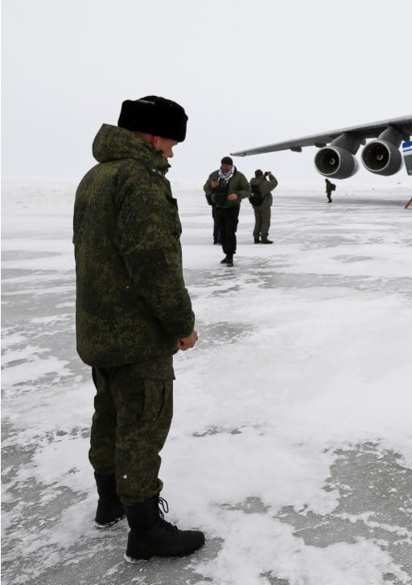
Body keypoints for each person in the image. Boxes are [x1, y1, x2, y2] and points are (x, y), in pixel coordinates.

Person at [73, 95, 205, 562]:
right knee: (143, 425)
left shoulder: (96, 177)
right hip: (136, 335)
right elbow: (154, 265)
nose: (171, 152)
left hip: (99, 329)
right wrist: (181, 324)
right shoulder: (140, 181)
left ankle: (110, 502)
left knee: (107, 416)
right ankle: (145, 530)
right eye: (170, 142)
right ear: (152, 136)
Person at [204, 156, 251, 266]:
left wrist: (237, 195)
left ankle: (230, 255)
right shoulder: (214, 175)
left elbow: (248, 190)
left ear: (231, 165)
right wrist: (211, 186)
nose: (224, 167)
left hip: (232, 208)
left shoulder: (239, 176)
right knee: (222, 232)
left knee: (230, 231)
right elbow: (206, 188)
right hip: (219, 207)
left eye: (227, 165)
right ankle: (226, 254)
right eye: (223, 165)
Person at [249, 169, 278, 244]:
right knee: (265, 222)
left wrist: (264, 177)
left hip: (255, 205)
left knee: (258, 222)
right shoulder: (264, 184)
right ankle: (264, 237)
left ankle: (256, 237)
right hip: (264, 205)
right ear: (261, 175)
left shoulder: (251, 183)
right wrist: (270, 175)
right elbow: (275, 183)